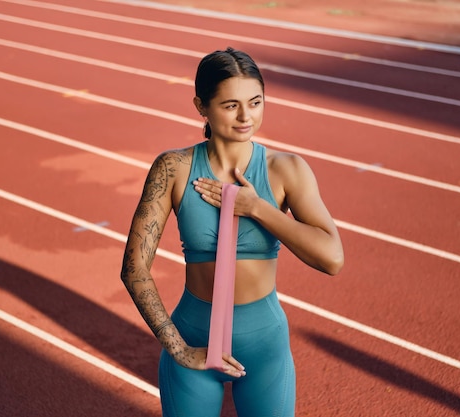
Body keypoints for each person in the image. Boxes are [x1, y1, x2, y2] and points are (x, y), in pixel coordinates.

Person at [121, 47, 344, 417]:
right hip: (192, 336)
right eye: (230, 106)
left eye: (255, 102)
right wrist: (176, 347)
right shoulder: (173, 168)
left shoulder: (286, 169)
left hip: (264, 345)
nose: (246, 117)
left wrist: (256, 208)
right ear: (201, 106)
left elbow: (332, 258)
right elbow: (134, 268)